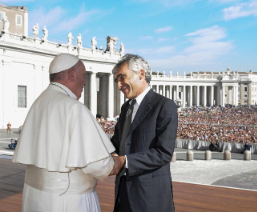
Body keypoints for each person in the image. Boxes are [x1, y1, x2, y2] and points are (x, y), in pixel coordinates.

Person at [12, 53, 116, 212]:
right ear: (72, 75)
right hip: (68, 201)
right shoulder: (74, 108)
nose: (85, 83)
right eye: (83, 76)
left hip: (34, 197)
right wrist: (119, 161)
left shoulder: (38, 103)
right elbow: (99, 166)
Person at [110, 54, 178, 212]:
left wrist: (124, 161)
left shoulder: (164, 106)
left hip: (150, 197)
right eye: (116, 81)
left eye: (122, 77)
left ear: (141, 74)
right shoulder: (126, 107)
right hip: (123, 192)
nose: (119, 85)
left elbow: (164, 153)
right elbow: (117, 141)